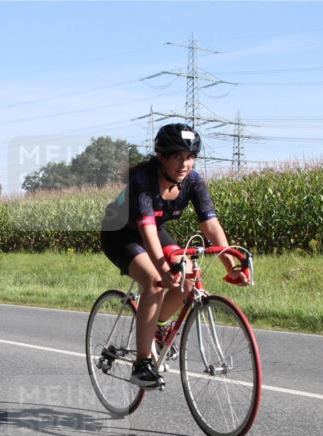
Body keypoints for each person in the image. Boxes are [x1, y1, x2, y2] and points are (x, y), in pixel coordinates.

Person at [100, 123, 249, 388]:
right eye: (178, 156)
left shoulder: (193, 181)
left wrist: (230, 263)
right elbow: (145, 229)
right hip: (120, 233)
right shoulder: (143, 179)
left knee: (189, 275)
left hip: (154, 230)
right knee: (155, 282)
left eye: (190, 156)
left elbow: (210, 225)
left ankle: (156, 328)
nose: (185, 163)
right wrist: (162, 268)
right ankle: (141, 365)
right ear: (162, 156)